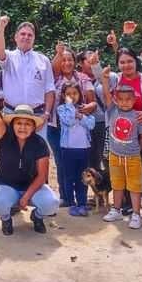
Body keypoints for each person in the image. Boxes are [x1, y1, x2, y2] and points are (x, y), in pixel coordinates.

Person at [95, 47, 142, 221]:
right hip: (121, 136)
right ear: (118, 64)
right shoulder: (115, 79)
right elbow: (100, 79)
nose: (126, 65)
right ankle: (125, 206)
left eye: (130, 61)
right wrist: (95, 64)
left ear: (136, 62)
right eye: (122, 62)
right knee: (123, 172)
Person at [0, 91, 60, 235]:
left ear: (34, 126)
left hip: (33, 188)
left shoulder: (40, 144)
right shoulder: (4, 136)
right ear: (13, 124)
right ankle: (6, 218)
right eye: (19, 123)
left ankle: (38, 216)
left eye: (27, 124)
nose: (23, 127)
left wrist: (26, 197)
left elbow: (42, 177)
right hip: (7, 186)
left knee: (51, 203)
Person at [0, 15, 55, 174]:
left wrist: (46, 115)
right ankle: (12, 190)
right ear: (15, 37)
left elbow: (50, 89)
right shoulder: (9, 57)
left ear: (34, 39)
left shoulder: (43, 60)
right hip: (11, 114)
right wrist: (1, 27)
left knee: (38, 155)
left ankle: (38, 192)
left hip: (38, 115)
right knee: (11, 153)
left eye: (30, 35)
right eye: (23, 34)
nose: (26, 37)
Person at [100, 68, 142, 229]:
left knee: (135, 185)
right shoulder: (112, 110)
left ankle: (136, 214)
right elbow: (107, 95)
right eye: (121, 99)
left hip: (133, 157)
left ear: (134, 99)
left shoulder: (138, 116)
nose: (124, 102)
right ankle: (116, 209)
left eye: (128, 99)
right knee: (117, 184)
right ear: (116, 100)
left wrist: (136, 150)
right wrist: (105, 79)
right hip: (115, 156)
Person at [51, 45, 97, 203]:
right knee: (61, 162)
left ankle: (82, 198)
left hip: (80, 130)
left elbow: (93, 103)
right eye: (63, 60)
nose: (66, 63)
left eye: (69, 59)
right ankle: (65, 197)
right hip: (56, 127)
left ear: (75, 61)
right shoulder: (54, 79)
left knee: (80, 166)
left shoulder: (83, 78)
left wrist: (87, 108)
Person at [58, 82, 95, 216]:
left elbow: (91, 124)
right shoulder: (62, 109)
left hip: (84, 148)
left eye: (75, 93)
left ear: (80, 94)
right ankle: (71, 203)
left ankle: (82, 203)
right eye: (68, 94)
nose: (72, 96)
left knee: (83, 177)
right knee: (69, 177)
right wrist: (72, 109)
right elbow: (68, 121)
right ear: (63, 96)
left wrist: (81, 115)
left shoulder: (84, 108)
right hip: (68, 149)